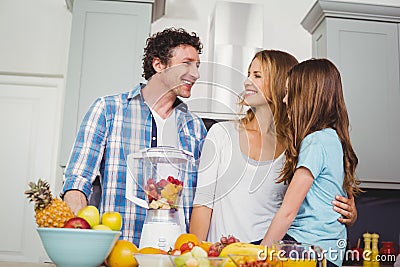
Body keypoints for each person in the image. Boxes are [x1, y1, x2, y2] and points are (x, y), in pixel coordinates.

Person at [189, 50, 357, 244]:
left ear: (284, 86)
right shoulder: (222, 134)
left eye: (257, 76)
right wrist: (197, 255)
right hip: (223, 256)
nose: (247, 82)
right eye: (249, 74)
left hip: (272, 254)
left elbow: (326, 194)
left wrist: (350, 213)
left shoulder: (299, 145)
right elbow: (202, 204)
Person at [60, 27, 207, 246]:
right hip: (117, 253)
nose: (195, 74)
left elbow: (202, 199)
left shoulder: (195, 127)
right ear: (159, 65)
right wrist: (85, 241)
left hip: (175, 256)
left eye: (197, 65)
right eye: (186, 63)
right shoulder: (108, 110)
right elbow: (76, 183)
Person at [260, 58, 362, 267]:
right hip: (331, 253)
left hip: (307, 248)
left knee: (233, 256)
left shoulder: (315, 141)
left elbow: (288, 211)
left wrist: (260, 256)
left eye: (289, 93)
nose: (285, 100)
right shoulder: (333, 138)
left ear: (306, 98)